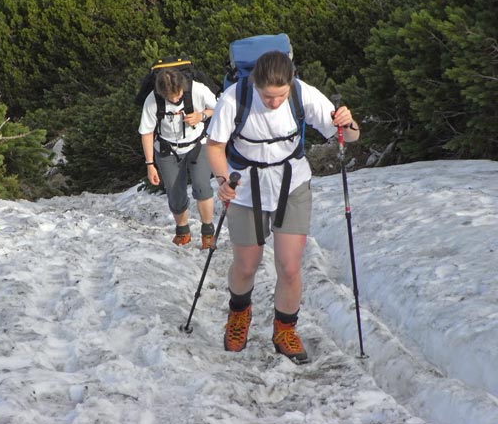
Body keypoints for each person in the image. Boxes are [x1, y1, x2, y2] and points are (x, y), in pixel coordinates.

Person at [206, 51, 360, 362]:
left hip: (293, 185)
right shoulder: (235, 98)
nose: (274, 102)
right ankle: (239, 315)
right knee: (246, 265)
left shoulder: (304, 94)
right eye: (267, 96)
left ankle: (285, 329)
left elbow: (349, 136)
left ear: (291, 84)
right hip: (245, 189)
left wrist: (348, 121)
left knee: (289, 267)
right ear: (255, 84)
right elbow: (215, 146)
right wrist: (223, 179)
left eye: (281, 95)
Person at [139, 68, 218, 249]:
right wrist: (150, 164)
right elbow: (146, 132)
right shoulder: (152, 100)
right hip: (167, 149)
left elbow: (219, 107)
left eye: (178, 94)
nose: (175, 99)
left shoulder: (197, 89)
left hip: (198, 144)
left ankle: (208, 233)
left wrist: (201, 115)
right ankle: (182, 232)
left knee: (202, 187)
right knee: (175, 192)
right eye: (169, 96)